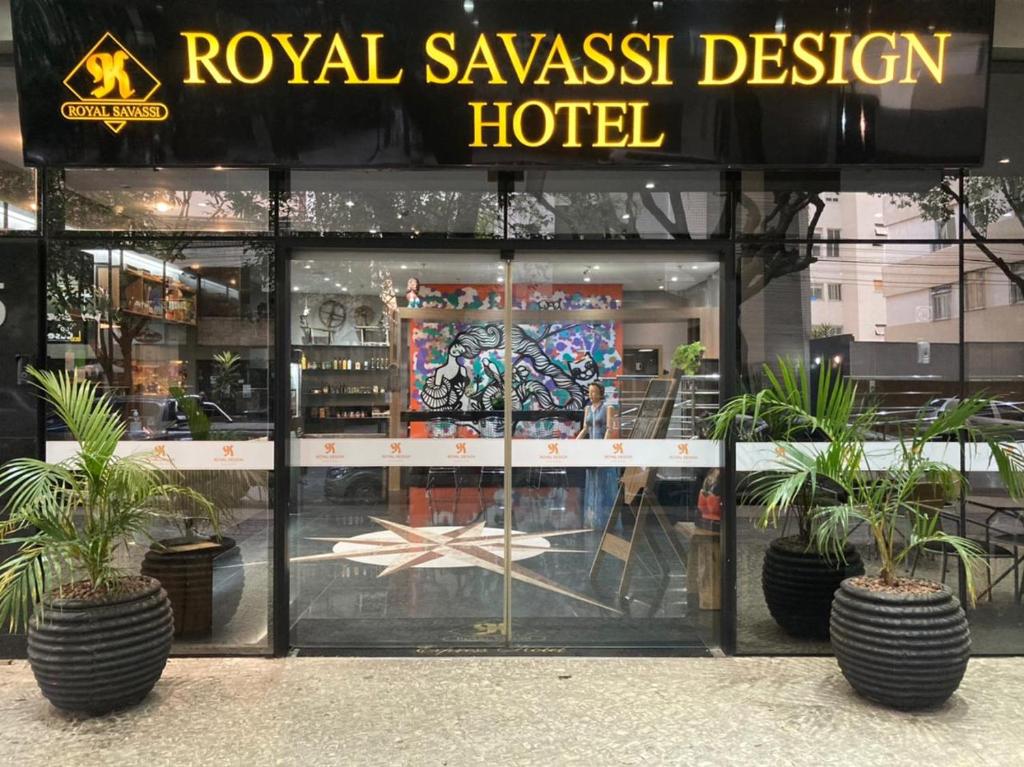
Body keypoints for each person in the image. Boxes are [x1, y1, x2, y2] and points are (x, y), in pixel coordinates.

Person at [576, 382, 620, 530]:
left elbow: (609, 429)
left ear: (600, 393)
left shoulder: (608, 408)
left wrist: (603, 448)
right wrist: (574, 443)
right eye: (590, 392)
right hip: (591, 451)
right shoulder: (587, 409)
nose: (591, 395)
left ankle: (605, 521)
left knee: (603, 483)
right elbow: (585, 428)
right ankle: (593, 521)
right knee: (592, 481)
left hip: (603, 450)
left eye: (594, 392)